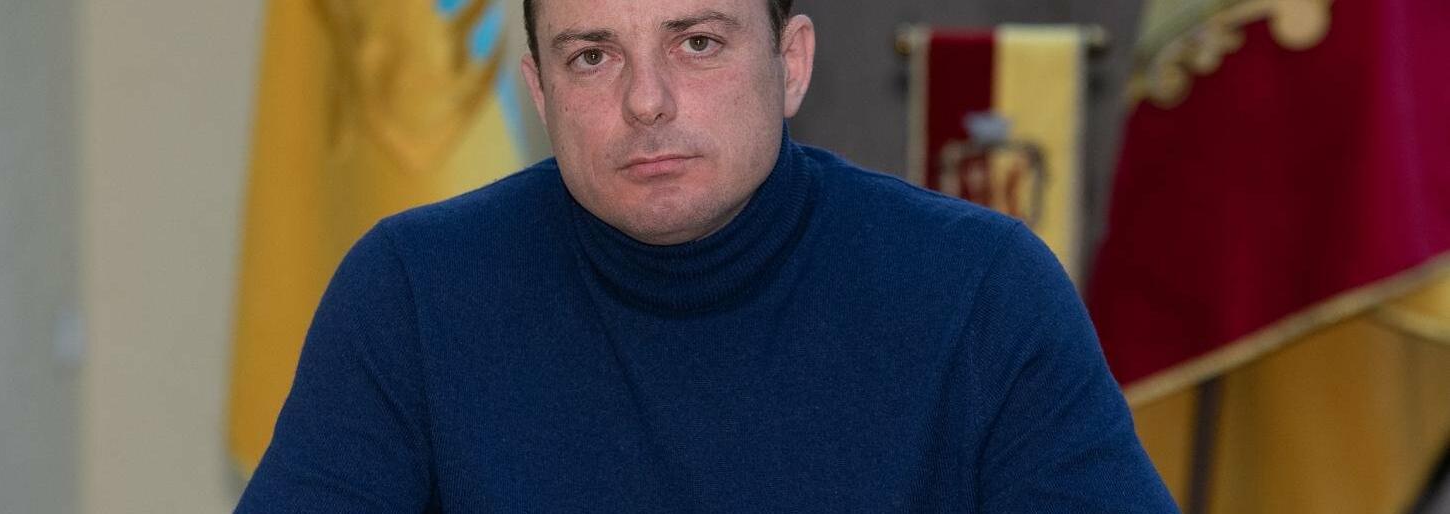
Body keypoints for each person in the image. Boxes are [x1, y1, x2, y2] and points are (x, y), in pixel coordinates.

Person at [236, 0, 1178, 511]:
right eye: (592, 56)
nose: (646, 100)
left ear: (791, 63)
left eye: (695, 42)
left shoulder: (980, 287)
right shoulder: (413, 290)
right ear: (540, 92)